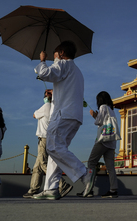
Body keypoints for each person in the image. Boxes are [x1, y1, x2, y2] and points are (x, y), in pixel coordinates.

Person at [33, 41, 94, 200]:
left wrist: (42, 61)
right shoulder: (77, 71)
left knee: (52, 147)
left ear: (60, 53)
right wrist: (55, 90)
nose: (54, 59)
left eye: (55, 56)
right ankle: (51, 188)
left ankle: (84, 173)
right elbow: (69, 89)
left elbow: (45, 73)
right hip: (74, 116)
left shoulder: (63, 64)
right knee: (58, 151)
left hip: (63, 114)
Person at [23, 91, 72, 198]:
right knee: (37, 167)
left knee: (43, 163)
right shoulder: (55, 108)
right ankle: (33, 189)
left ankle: (62, 184)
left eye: (46, 95)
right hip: (50, 137)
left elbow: (34, 115)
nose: (45, 97)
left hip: (44, 139)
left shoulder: (46, 106)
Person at [83, 91, 119, 198]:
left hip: (103, 140)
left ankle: (88, 189)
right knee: (110, 167)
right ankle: (113, 189)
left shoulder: (103, 107)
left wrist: (94, 115)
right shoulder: (111, 110)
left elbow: (99, 121)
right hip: (112, 142)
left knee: (91, 162)